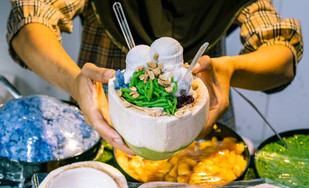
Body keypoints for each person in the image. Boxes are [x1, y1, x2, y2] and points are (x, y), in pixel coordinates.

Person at [7, 0, 303, 155]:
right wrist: (74, 80)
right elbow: (29, 17)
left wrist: (229, 69)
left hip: (201, 126)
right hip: (104, 122)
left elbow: (283, 53)